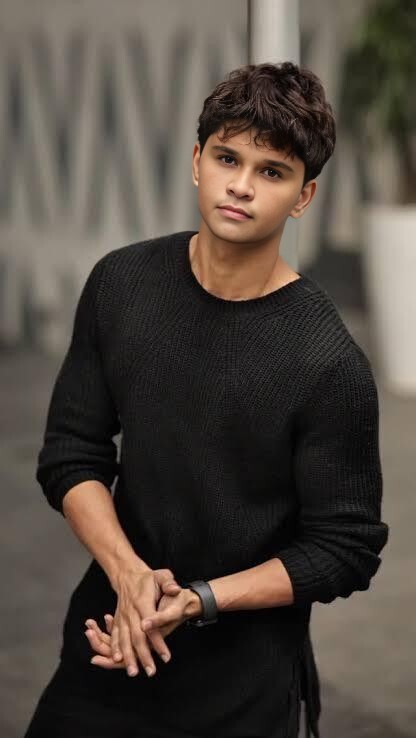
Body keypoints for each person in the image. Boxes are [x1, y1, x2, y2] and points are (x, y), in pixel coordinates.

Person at [25, 61, 389, 738]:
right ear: (198, 162)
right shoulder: (121, 284)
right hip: (108, 645)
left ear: (304, 197)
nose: (242, 186)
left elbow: (345, 547)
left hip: (241, 689)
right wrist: (129, 575)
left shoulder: (328, 362)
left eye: (272, 172)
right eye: (228, 158)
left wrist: (197, 601)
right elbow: (71, 454)